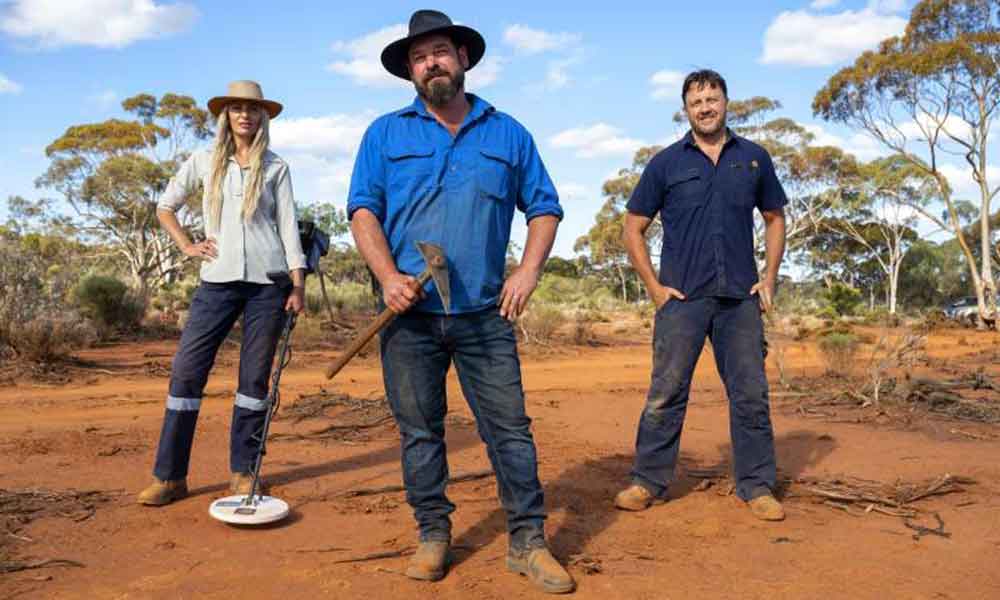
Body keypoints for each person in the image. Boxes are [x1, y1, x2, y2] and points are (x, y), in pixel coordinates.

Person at [346, 9, 574, 594]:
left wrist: (528, 270)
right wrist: (388, 276)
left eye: (441, 52)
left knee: (510, 431)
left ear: (463, 58)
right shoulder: (385, 134)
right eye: (420, 57)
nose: (432, 64)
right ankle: (432, 534)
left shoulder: (508, 133)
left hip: (484, 315)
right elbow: (363, 211)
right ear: (410, 71)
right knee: (420, 432)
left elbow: (544, 208)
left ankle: (528, 542)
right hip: (408, 318)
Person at [614, 69, 788, 522]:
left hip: (739, 298)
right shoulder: (666, 164)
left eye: (712, 99)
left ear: (726, 102)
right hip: (682, 299)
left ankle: (757, 486)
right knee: (665, 393)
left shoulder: (753, 159)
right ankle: (647, 481)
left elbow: (774, 217)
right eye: (696, 102)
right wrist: (654, 287)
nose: (705, 108)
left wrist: (770, 276)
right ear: (686, 110)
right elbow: (633, 227)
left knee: (750, 395)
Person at [137, 80, 306, 506]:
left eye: (252, 108)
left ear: (263, 116)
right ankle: (169, 477)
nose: (245, 115)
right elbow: (165, 206)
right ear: (226, 116)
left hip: (269, 284)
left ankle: (243, 473)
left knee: (254, 380)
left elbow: (288, 227)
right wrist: (187, 246)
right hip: (217, 282)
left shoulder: (276, 167)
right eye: (236, 108)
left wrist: (298, 283)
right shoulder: (203, 160)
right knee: (186, 373)